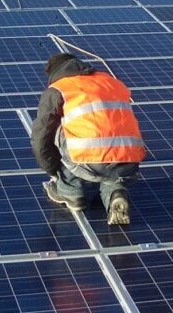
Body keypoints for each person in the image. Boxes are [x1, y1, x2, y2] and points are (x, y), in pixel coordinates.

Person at [31, 53, 145, 225]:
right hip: (129, 160)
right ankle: (116, 192)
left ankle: (71, 191)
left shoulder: (59, 89)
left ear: (54, 72)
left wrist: (53, 170)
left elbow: (40, 138)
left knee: (56, 127)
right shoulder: (111, 81)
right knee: (111, 176)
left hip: (89, 161)